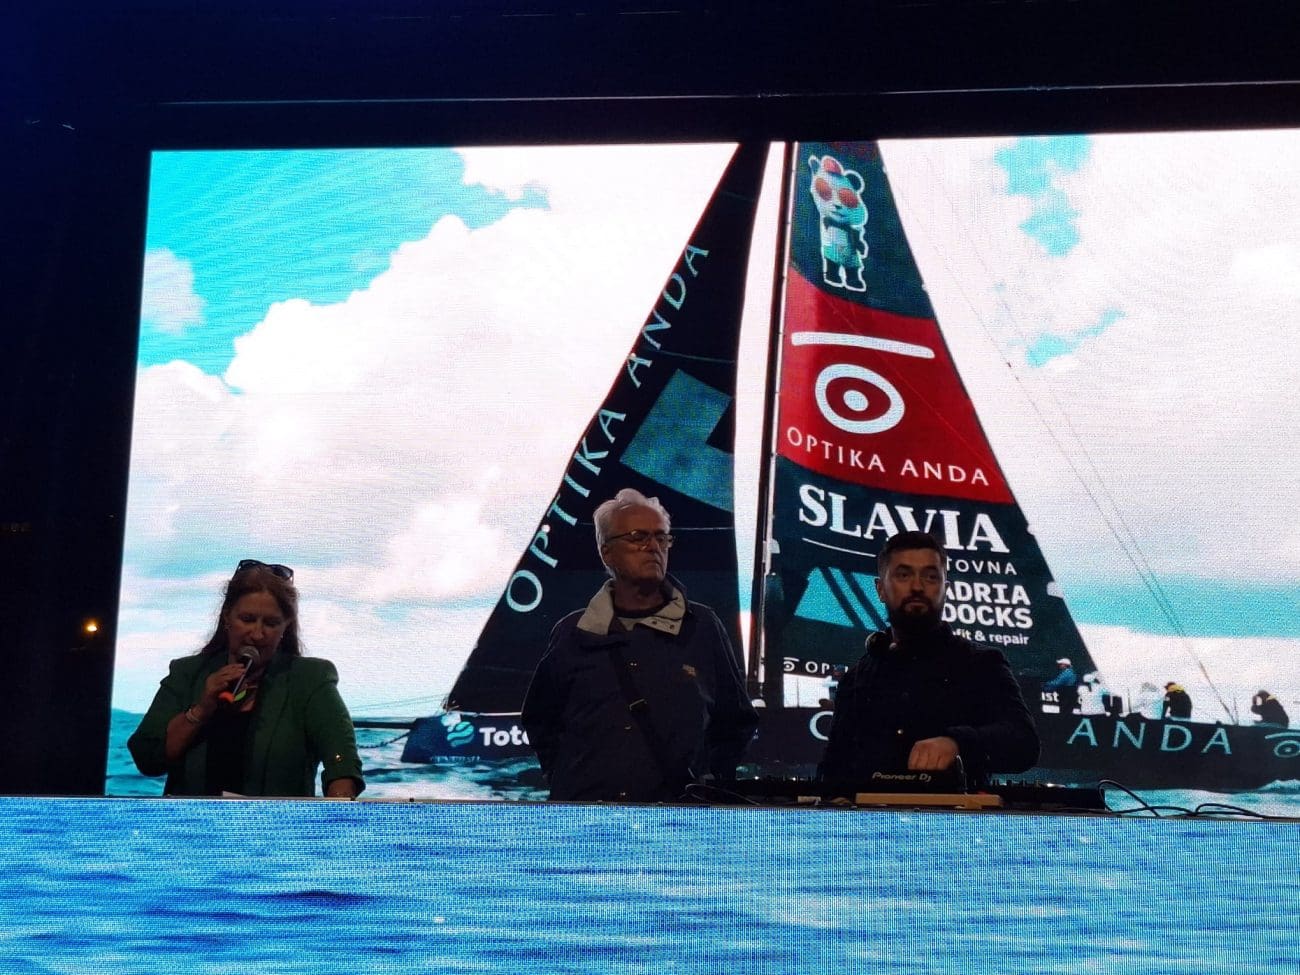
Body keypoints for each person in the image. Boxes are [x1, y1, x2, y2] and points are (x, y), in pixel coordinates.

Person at [521, 488, 758, 802]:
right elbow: (541, 720)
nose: (653, 547)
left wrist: (707, 787)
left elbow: (736, 722)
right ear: (607, 552)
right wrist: (568, 781)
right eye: (638, 537)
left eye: (661, 537)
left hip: (674, 820)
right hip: (585, 818)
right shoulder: (572, 632)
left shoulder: (702, 626)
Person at [818, 531, 1039, 788]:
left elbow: (1024, 743)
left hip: (956, 813)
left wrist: (957, 743)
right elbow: (832, 768)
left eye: (931, 576)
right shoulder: (856, 678)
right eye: (903, 575)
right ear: (880, 589)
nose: (917, 587)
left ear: (946, 589)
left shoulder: (982, 663)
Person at [128, 560, 365, 797]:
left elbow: (343, 764)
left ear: (286, 626)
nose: (257, 634)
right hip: (194, 820)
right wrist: (201, 710)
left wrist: (336, 811)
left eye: (271, 623)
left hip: (271, 821)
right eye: (248, 619)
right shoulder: (187, 673)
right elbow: (147, 758)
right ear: (227, 617)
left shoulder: (309, 679)